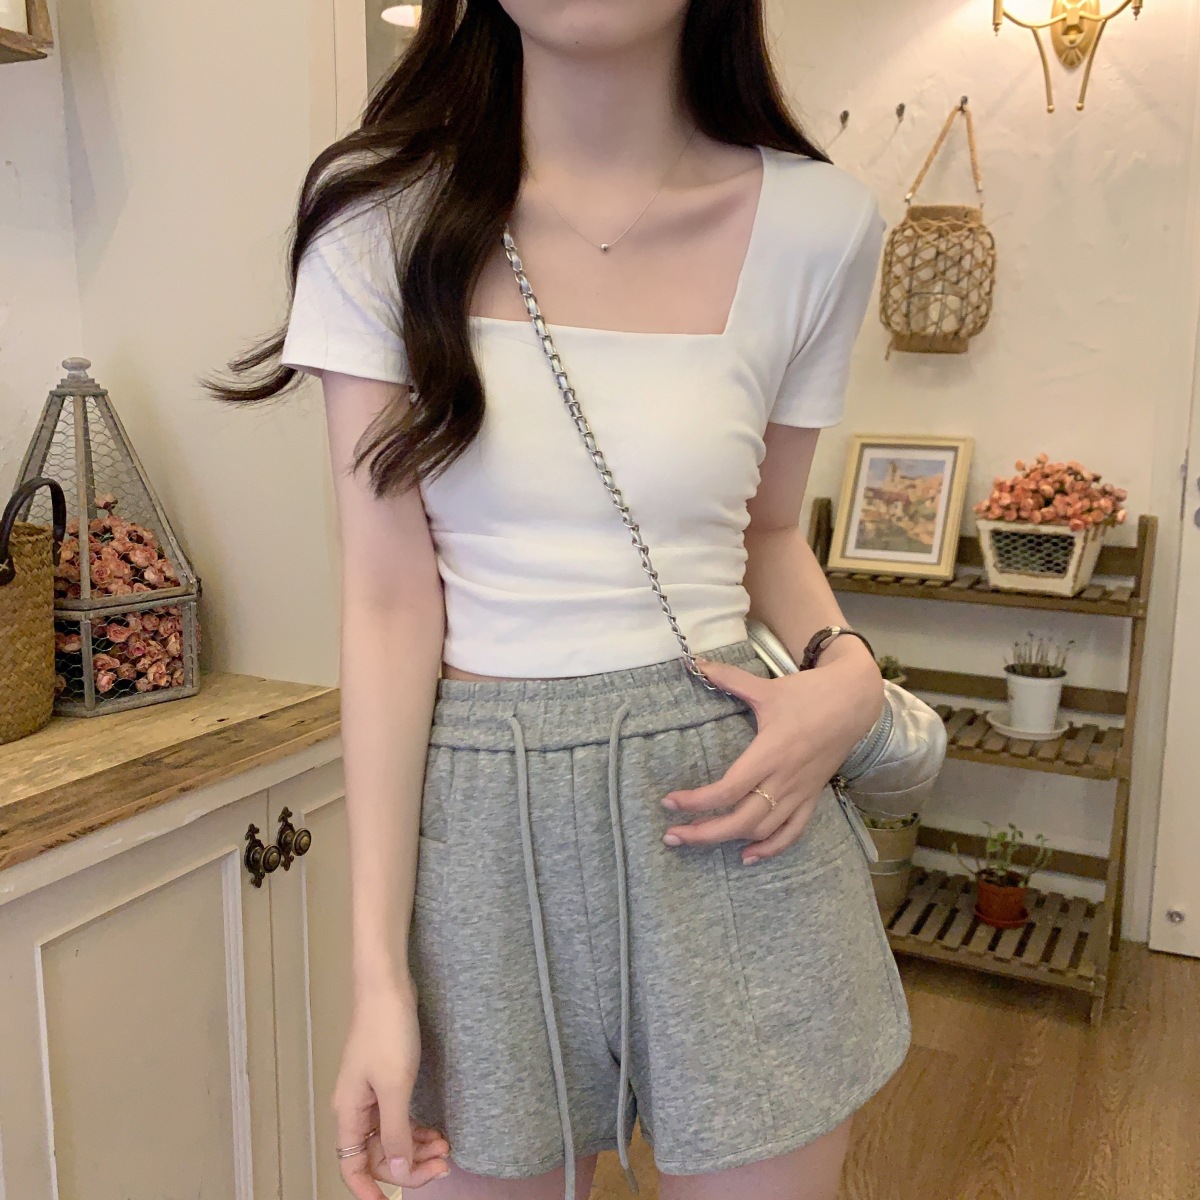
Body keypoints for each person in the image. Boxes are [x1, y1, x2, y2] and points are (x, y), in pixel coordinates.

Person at [211, 2, 912, 1197]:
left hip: (732, 805)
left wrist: (847, 672)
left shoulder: (819, 224)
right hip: (484, 833)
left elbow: (766, 530)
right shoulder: (379, 220)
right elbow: (387, 604)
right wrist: (377, 978)